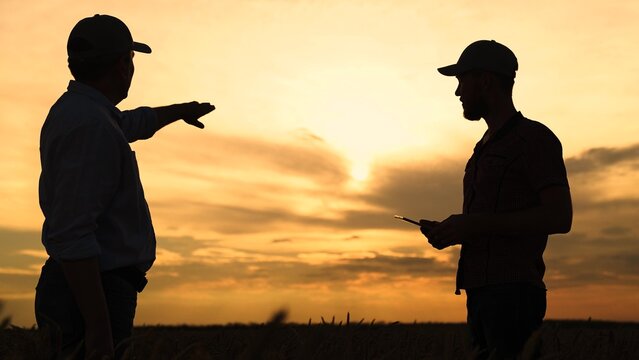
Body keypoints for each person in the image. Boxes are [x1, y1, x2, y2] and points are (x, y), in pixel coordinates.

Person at [35, 14, 215, 359]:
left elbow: (131, 123)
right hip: (91, 291)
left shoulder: (83, 112)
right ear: (122, 65)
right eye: (130, 59)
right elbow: (72, 233)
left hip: (83, 288)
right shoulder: (92, 126)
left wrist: (179, 111)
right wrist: (99, 329)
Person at [420, 40, 573, 359]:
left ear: (485, 81)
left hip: (514, 296)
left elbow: (560, 217)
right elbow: (485, 226)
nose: (458, 92)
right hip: (480, 295)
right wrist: (452, 232)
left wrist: (474, 224)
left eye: (462, 81)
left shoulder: (534, 140)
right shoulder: (482, 148)